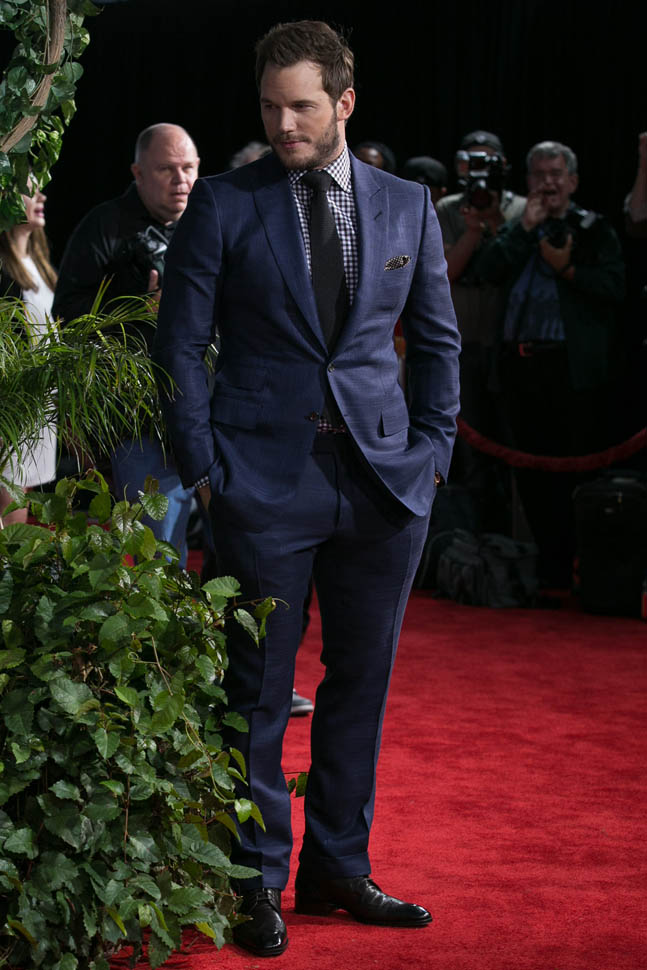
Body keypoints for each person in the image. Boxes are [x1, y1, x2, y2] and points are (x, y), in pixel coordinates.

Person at [153, 20, 460, 957]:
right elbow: (179, 347)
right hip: (258, 483)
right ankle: (253, 882)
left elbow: (436, 342)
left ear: (343, 103)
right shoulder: (224, 202)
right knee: (255, 691)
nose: (282, 125)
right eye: (268, 107)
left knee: (360, 684)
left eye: (300, 107)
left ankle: (337, 866)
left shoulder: (407, 204)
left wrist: (432, 454)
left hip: (381, 485)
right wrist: (205, 473)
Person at [475, 140, 625, 586]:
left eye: (556, 174)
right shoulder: (518, 228)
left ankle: (584, 567)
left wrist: (567, 270)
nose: (547, 183)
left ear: (573, 181)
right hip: (520, 371)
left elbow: (614, 287)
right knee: (529, 472)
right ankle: (548, 568)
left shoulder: (594, 229)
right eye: (538, 175)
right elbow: (486, 270)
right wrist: (525, 228)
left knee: (577, 469)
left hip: (572, 372)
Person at [53, 123, 200, 566]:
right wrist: (138, 309)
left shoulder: (209, 220)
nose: (181, 180)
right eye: (167, 169)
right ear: (138, 173)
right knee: (160, 545)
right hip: (140, 413)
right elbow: (67, 316)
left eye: (189, 168)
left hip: (213, 403)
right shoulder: (105, 226)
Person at [435, 130, 526, 532]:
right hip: (464, 344)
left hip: (511, 344)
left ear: (503, 165)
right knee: (470, 451)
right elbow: (445, 273)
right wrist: (473, 230)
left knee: (517, 442)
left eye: (487, 162)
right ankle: (473, 540)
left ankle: (518, 535)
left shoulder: (522, 209)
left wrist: (497, 222)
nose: (479, 172)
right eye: (472, 162)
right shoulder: (449, 209)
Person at [0, 179, 58, 525]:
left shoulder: (38, 264)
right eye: (31, 190)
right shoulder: (2, 269)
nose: (42, 196)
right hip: (12, 405)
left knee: (21, 502)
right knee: (11, 512)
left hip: (38, 404)